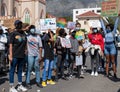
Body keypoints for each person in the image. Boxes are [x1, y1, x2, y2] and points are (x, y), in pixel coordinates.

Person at [9, 20, 27, 92]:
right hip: (15, 55)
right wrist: (10, 55)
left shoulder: (24, 34)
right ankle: (11, 87)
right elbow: (10, 45)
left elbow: (25, 43)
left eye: (20, 24)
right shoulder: (13, 34)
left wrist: (26, 50)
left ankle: (20, 85)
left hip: (22, 55)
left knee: (20, 70)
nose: (19, 25)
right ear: (15, 25)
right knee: (12, 70)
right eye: (18, 24)